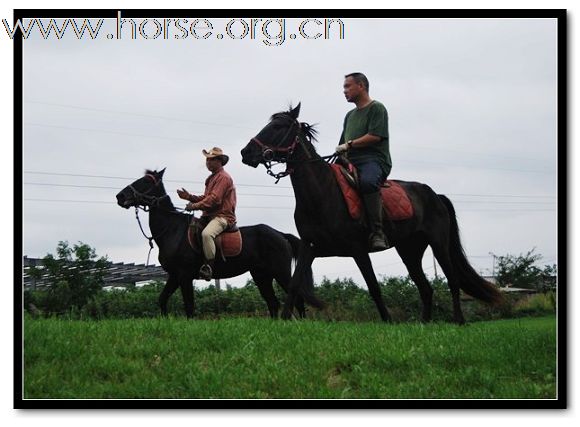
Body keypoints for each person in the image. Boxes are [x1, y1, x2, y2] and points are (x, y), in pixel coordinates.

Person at [335, 72, 392, 251]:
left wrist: (349, 145)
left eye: (347, 86)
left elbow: (375, 136)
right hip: (350, 160)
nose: (344, 91)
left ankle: (378, 232)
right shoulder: (349, 115)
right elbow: (342, 144)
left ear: (361, 86)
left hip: (373, 160)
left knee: (367, 183)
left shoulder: (377, 108)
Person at [177, 147, 237, 280]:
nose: (207, 163)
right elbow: (206, 198)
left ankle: (208, 267)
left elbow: (214, 200)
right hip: (209, 216)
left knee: (207, 234)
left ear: (219, 161)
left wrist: (194, 206)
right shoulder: (211, 178)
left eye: (211, 160)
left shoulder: (223, 178)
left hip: (222, 217)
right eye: (207, 160)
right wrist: (189, 197)